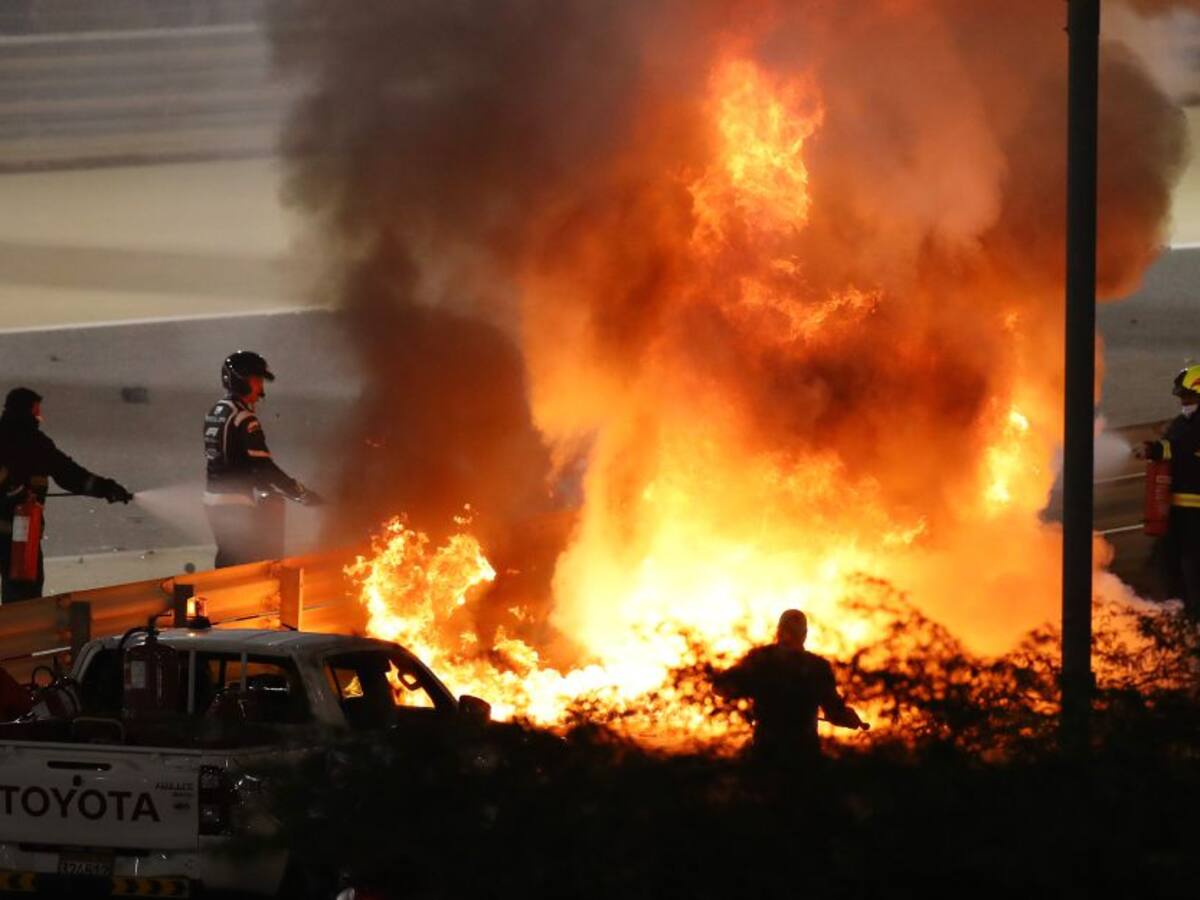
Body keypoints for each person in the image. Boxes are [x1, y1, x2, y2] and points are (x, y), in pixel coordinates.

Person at [0, 387, 132, 602]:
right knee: (23, 600)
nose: (39, 417)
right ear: (29, 411)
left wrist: (107, 489)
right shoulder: (35, 443)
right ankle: (19, 634)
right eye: (37, 411)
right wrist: (108, 489)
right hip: (20, 537)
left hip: (21, 531)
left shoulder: (26, 440)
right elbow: (72, 476)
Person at [203, 351, 321, 567]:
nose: (260, 389)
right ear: (241, 381)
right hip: (236, 504)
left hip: (213, 501)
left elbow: (231, 459)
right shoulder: (244, 418)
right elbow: (263, 466)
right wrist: (300, 493)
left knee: (227, 562)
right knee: (248, 569)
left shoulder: (216, 411)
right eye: (256, 380)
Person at [714, 609, 867, 763]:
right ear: (805, 634)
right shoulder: (817, 667)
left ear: (778, 632)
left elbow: (721, 686)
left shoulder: (760, 660)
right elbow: (834, 711)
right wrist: (849, 718)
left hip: (767, 754)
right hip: (803, 757)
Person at [1134, 364, 1200, 617]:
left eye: (1189, 397)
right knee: (1168, 561)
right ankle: (1179, 611)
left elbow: (1182, 447)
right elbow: (1174, 441)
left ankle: (1194, 619)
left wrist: (1155, 449)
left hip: (1196, 510)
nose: (1185, 402)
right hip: (1178, 508)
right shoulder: (1182, 423)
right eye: (1182, 397)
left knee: (1193, 565)